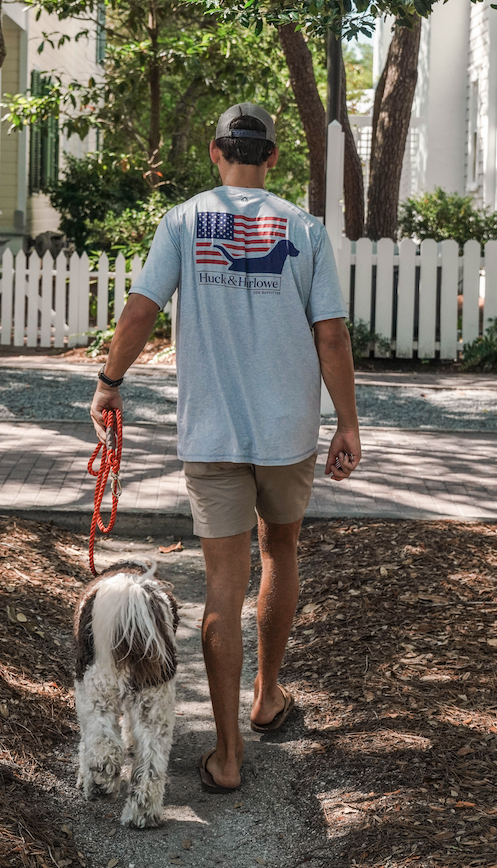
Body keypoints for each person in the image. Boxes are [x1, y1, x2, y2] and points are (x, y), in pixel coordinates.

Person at [90, 102, 361, 794]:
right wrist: (348, 423)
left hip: (211, 432)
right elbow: (330, 335)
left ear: (216, 152)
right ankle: (267, 694)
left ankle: (228, 756)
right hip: (286, 433)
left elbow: (142, 308)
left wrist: (109, 381)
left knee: (219, 585)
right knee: (280, 551)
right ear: (272, 158)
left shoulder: (183, 220)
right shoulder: (302, 228)